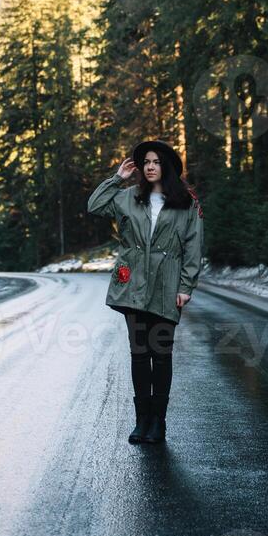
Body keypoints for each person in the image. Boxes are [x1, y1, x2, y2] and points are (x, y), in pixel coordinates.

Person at [87, 139, 205, 444]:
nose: (150, 167)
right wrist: (117, 178)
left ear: (166, 166)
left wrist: (186, 286)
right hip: (133, 286)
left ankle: (159, 423)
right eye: (146, 162)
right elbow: (94, 205)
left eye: (156, 162)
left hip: (167, 286)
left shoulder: (186, 203)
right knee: (139, 354)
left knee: (161, 354)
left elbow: (193, 246)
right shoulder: (127, 197)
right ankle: (142, 421)